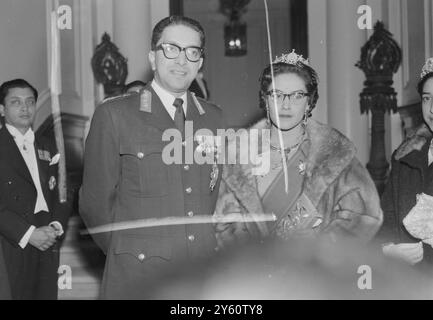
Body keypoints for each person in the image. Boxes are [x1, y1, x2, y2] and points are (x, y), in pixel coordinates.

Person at [79, 16, 225, 299]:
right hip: (139, 275)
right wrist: (129, 248)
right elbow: (95, 204)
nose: (182, 60)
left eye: (192, 52)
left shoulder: (214, 116)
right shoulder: (115, 115)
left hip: (200, 273)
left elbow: (209, 193)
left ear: (200, 62)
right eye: (171, 48)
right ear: (153, 57)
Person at [215, 50, 382, 247]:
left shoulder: (336, 155)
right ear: (265, 100)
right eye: (277, 95)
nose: (286, 105)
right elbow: (224, 223)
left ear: (309, 102)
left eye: (297, 95)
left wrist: (318, 248)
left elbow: (364, 216)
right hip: (254, 272)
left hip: (312, 272)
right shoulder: (237, 155)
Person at [0, 79, 70, 299]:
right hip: (12, 239)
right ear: (2, 109)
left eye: (30, 102)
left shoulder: (49, 145)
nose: (25, 107)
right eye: (16, 102)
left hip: (48, 234)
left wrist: (56, 225)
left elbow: (63, 191)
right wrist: (29, 234)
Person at [378, 57, 433, 271]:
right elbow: (385, 221)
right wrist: (387, 250)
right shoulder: (406, 159)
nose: (432, 109)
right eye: (427, 98)